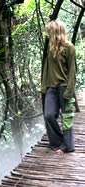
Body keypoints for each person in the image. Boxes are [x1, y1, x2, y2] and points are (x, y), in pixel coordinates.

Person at [41, 20, 76, 154]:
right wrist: (44, 87)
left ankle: (68, 146)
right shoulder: (50, 48)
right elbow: (46, 68)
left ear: (55, 32)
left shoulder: (69, 48)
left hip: (64, 87)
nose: (47, 34)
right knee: (49, 115)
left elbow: (72, 71)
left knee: (66, 118)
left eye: (49, 31)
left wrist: (69, 91)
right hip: (51, 87)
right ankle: (57, 142)